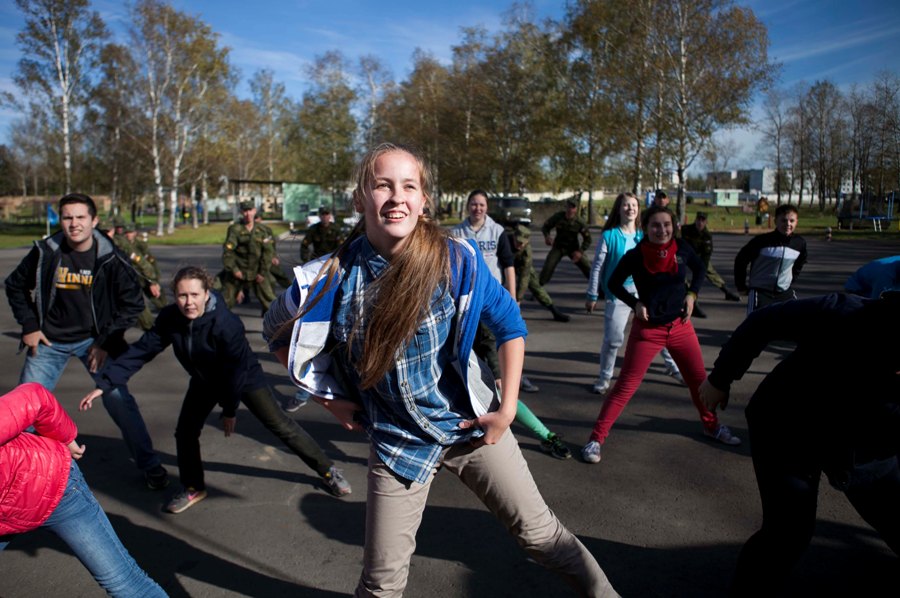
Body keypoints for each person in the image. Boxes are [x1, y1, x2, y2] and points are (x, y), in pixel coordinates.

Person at [264, 143, 616, 597]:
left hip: (472, 426)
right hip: (398, 444)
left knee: (542, 537)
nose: (397, 197)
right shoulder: (330, 278)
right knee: (381, 585)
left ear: (424, 199)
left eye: (409, 186)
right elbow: (276, 332)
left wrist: (507, 410)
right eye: (382, 185)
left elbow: (510, 325)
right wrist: (328, 399)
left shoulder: (455, 259)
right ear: (359, 199)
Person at [80, 266, 350, 515]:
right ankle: (193, 487)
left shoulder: (225, 323)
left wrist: (229, 410)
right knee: (185, 432)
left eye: (195, 294)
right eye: (182, 295)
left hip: (243, 378)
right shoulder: (170, 318)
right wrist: (107, 383)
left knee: (281, 425)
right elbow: (143, 349)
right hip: (204, 379)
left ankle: (327, 470)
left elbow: (233, 373)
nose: (188, 302)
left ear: (206, 293)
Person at [698, 292, 900, 595]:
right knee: (788, 532)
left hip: (865, 446)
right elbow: (762, 321)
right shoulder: (843, 312)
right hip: (788, 428)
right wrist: (720, 379)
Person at [4, 193, 168, 490]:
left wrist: (105, 341)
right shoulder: (47, 251)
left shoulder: (111, 257)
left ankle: (150, 465)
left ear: (94, 221)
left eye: (81, 217)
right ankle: (17, 479)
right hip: (49, 343)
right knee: (23, 411)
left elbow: (131, 303)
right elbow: (15, 285)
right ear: (60, 220)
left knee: (120, 401)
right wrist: (29, 326)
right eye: (67, 217)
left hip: (95, 342)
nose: (74, 224)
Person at [581, 205, 741, 465]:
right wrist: (634, 303)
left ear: (674, 226)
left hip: (680, 327)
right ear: (646, 227)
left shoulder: (682, 247)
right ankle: (595, 439)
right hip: (648, 331)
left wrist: (692, 295)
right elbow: (611, 283)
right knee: (624, 387)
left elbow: (701, 270)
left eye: (667, 224)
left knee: (700, 383)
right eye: (656, 225)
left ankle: (712, 427)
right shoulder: (636, 254)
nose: (662, 230)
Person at [0, 383, 167, 597]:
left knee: (123, 582)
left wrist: (66, 437)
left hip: (55, 487)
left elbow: (35, 397)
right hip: (8, 515)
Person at [452, 189, 571, 457]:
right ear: (468, 206)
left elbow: (508, 266)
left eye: (482, 204)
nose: (477, 208)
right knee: (462, 382)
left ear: (486, 207)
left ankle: (546, 435)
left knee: (502, 387)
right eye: (473, 204)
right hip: (461, 316)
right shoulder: (456, 233)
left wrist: (513, 297)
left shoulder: (497, 232)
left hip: (488, 311)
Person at [585, 193, 684, 396]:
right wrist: (592, 293)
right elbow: (597, 267)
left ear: (638, 209)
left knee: (662, 333)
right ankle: (604, 379)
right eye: (626, 205)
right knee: (613, 340)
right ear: (618, 209)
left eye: (634, 205)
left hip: (646, 294)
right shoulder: (610, 236)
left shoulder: (645, 234)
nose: (630, 208)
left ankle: (674, 369)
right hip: (618, 295)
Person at [734, 203, 807, 314]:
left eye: (792, 221)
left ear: (797, 222)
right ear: (775, 221)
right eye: (783, 220)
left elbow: (799, 263)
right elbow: (741, 260)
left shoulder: (799, 243)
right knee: (756, 326)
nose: (788, 224)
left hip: (784, 291)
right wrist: (741, 286)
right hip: (761, 292)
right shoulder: (761, 241)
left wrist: (790, 280)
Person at [221, 200, 276, 313]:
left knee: (271, 302)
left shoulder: (263, 230)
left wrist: (263, 272)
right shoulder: (235, 229)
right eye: (245, 211)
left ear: (254, 211)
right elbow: (228, 252)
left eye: (250, 210)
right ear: (241, 212)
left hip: (257, 272)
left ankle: (279, 327)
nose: (248, 214)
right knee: (224, 302)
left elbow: (268, 252)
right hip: (238, 271)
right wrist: (234, 270)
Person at [509, 223, 571, 322]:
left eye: (522, 243)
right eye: (518, 242)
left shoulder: (527, 253)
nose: (519, 245)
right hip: (504, 265)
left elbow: (524, 278)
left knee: (535, 286)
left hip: (521, 265)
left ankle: (554, 310)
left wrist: (518, 299)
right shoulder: (504, 240)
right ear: (514, 237)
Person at [116, 222, 167, 331]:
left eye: (130, 232)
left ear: (135, 233)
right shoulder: (121, 245)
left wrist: (154, 281)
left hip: (145, 277)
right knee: (142, 309)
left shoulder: (140, 246)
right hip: (132, 280)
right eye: (126, 232)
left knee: (161, 300)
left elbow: (150, 262)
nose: (128, 235)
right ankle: (150, 327)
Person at [680, 212, 741, 302]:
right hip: (684, 255)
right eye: (698, 219)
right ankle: (687, 291)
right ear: (695, 220)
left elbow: (706, 255)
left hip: (698, 257)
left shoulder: (706, 236)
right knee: (679, 270)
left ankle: (726, 291)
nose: (700, 222)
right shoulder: (685, 229)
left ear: (706, 222)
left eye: (703, 220)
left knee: (709, 271)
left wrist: (702, 269)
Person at [539, 198, 592, 286]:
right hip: (558, 247)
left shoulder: (579, 222)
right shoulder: (558, 217)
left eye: (572, 207)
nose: (570, 210)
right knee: (548, 267)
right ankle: (538, 288)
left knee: (587, 267)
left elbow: (588, 239)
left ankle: (600, 290)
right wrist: (547, 237)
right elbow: (546, 227)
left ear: (575, 209)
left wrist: (580, 251)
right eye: (568, 207)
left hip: (573, 248)